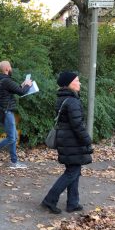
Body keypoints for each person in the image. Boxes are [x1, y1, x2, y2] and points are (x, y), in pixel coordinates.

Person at [41, 71, 93, 214]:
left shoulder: (64, 99)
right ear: (69, 84)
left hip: (66, 140)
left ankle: (72, 203)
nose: (79, 83)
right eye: (77, 80)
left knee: (74, 171)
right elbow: (77, 125)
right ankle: (49, 200)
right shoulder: (72, 101)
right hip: (72, 141)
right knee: (72, 172)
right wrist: (87, 140)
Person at [0, 61, 32, 169]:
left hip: (4, 111)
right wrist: (28, 85)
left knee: (13, 137)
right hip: (7, 112)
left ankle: (14, 162)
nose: (11, 68)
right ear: (7, 69)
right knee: (11, 138)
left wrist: (23, 85)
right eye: (10, 67)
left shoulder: (1, 80)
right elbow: (22, 92)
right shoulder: (6, 80)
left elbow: (16, 89)